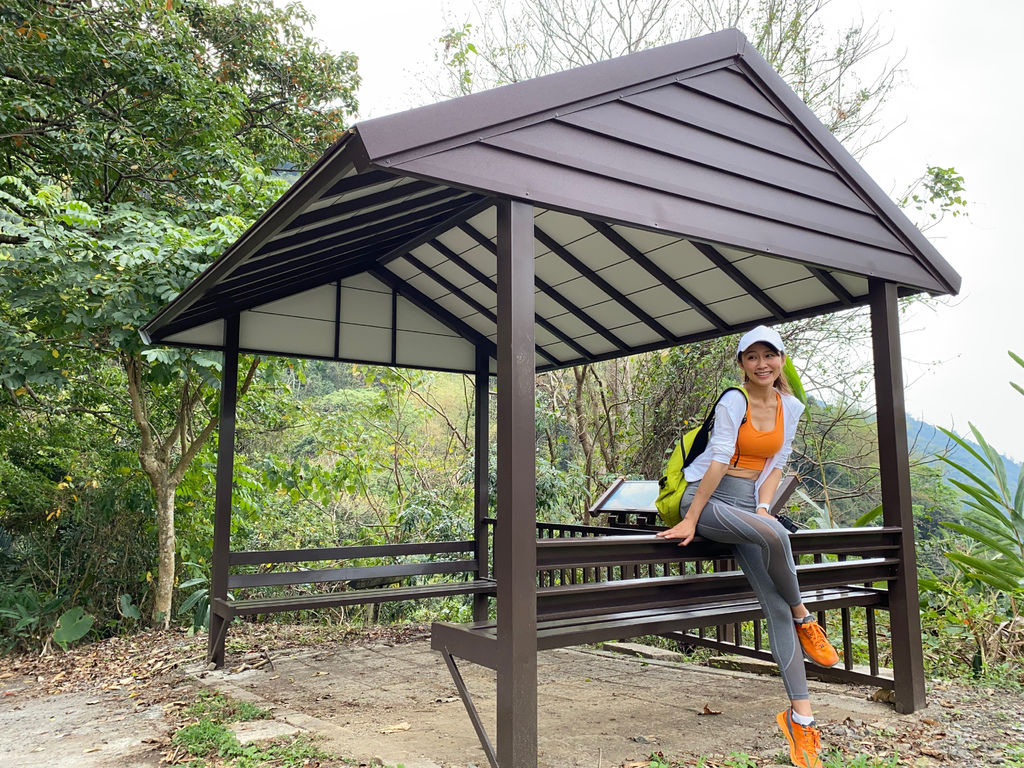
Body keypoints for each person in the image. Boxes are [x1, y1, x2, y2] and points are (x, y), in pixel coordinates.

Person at [655, 325, 838, 768]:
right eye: (752, 357)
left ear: (781, 360)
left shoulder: (790, 406)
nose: (762, 364)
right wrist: (693, 518)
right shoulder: (733, 400)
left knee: (773, 604)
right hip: (706, 496)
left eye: (769, 355)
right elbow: (718, 458)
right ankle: (805, 616)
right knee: (777, 533)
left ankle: (802, 721)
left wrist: (761, 505)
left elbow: (778, 462)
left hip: (745, 503)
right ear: (741, 364)